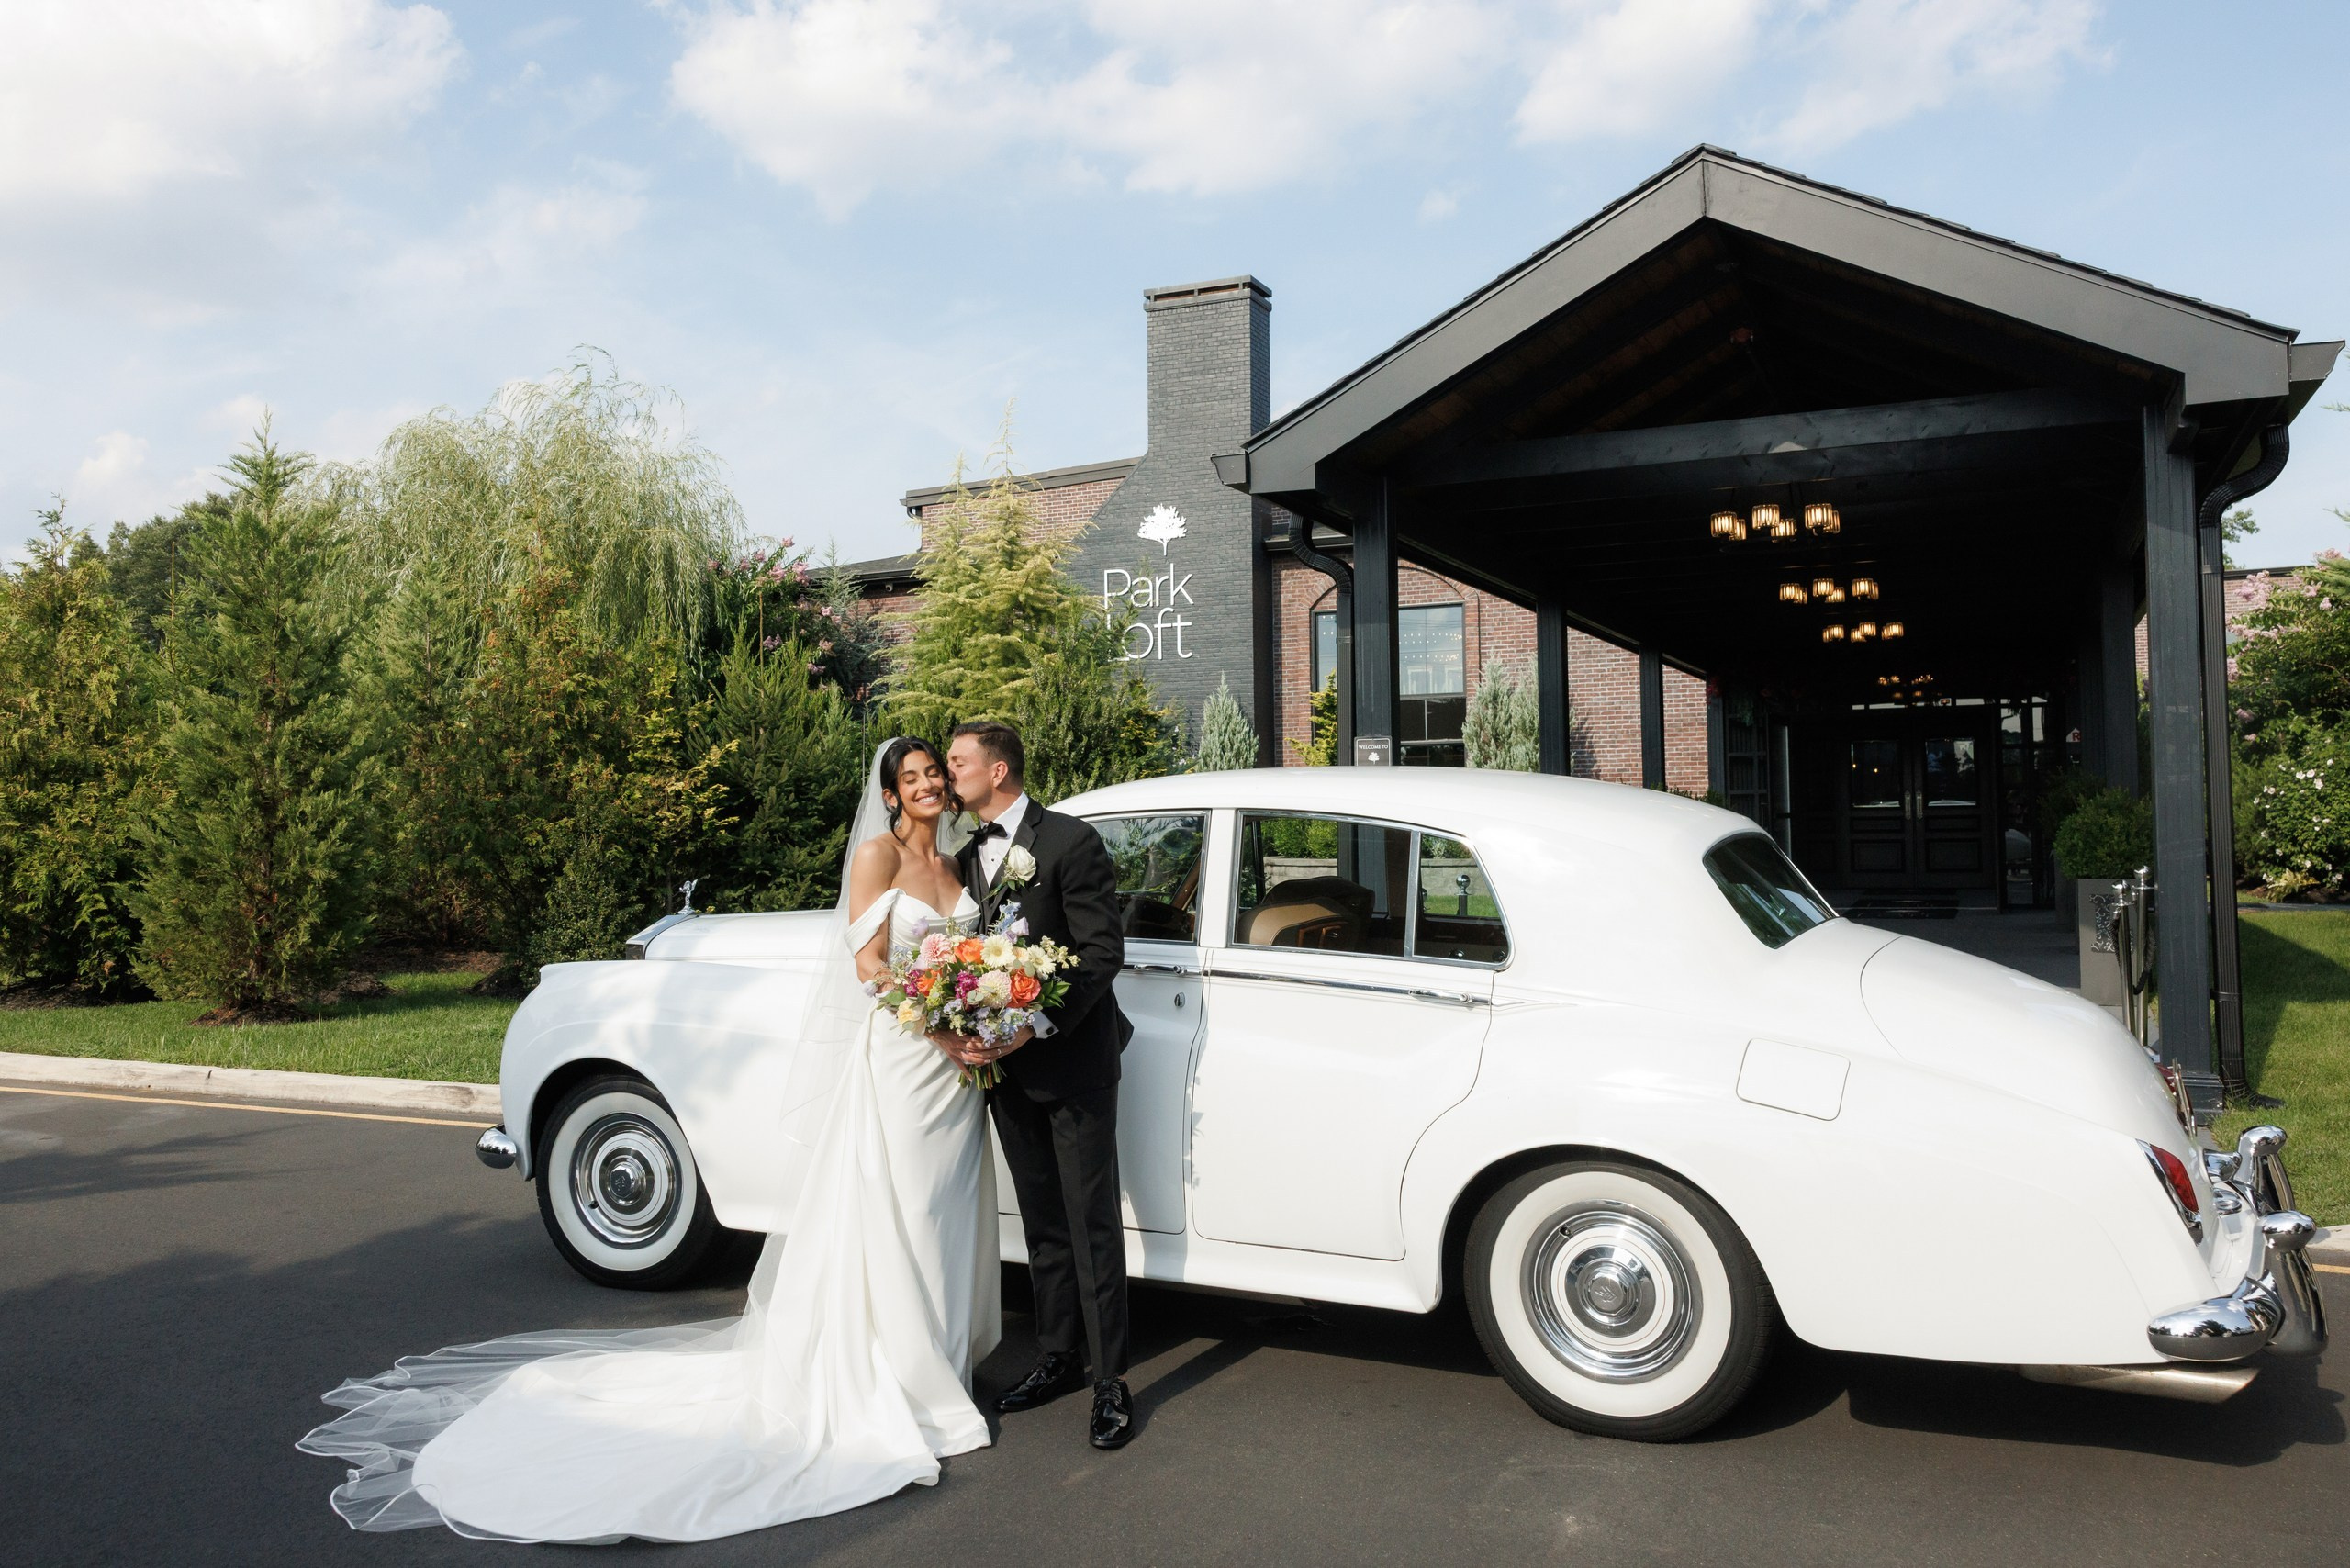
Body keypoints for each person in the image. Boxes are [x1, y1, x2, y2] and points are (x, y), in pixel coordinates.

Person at [298, 738, 1002, 1543]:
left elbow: (971, 953)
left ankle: (941, 1367)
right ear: (887, 794)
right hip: (907, 1059)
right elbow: (869, 963)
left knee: (943, 1213)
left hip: (957, 1075)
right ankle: (898, 1379)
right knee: (898, 1212)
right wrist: (942, 1020)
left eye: (932, 776)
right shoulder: (876, 858)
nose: (924, 787)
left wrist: (978, 1016)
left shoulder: (961, 866)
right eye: (908, 778)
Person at [943, 720, 1136, 1451]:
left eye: (958, 762)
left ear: (997, 771)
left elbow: (1100, 953)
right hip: (1002, 1071)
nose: (949, 773)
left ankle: (1111, 1379)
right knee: (1042, 1222)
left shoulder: (1070, 841)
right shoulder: (964, 859)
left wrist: (1037, 1026)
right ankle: (1057, 1357)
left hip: (1073, 1063)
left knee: (1091, 1225)